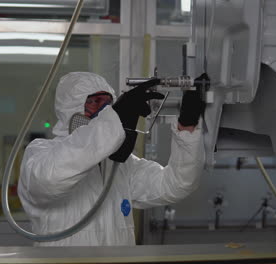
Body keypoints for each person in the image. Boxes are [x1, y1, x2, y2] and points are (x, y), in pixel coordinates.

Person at [18, 72, 206, 246]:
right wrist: (114, 119)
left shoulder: (121, 166)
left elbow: (176, 185)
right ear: (71, 109)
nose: (104, 110)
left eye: (108, 103)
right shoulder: (40, 153)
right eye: (94, 102)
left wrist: (186, 128)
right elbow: (51, 178)